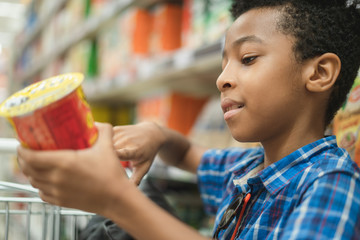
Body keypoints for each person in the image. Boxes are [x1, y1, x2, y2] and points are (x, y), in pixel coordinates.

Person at [17, 0, 360, 239]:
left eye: (248, 58)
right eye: (223, 63)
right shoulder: (250, 166)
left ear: (319, 73)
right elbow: (185, 154)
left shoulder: (331, 181)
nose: (222, 79)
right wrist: (158, 135)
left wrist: (117, 199)